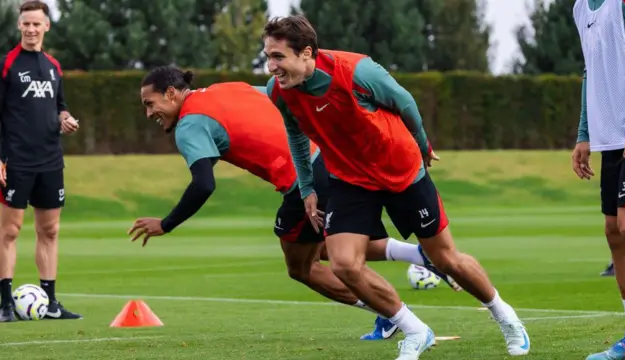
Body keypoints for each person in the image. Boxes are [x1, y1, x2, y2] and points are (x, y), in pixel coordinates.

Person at [262, 15, 530, 359]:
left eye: (278, 57)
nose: (271, 66)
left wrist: (422, 145)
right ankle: (416, 330)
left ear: (306, 53)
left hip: (401, 172)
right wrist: (307, 187)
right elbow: (296, 136)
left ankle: (504, 314)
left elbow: (404, 103)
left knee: (446, 259)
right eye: (268, 56)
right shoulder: (279, 92)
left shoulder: (357, 71)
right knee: (344, 264)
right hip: (350, 179)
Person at [128, 66, 461, 342]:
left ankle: (395, 316)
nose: (148, 113)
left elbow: (203, 184)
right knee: (329, 246)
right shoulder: (225, 89)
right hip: (332, 161)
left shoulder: (189, 124)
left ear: (172, 93)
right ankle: (421, 256)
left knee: (301, 267)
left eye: (150, 103)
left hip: (306, 180)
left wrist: (166, 223)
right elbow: (282, 101)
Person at [0, 0, 81, 322]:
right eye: (26, 23)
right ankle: (5, 304)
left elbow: (60, 106)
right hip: (16, 160)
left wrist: (66, 118)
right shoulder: (6, 65)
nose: (31, 29)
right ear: (19, 26)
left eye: (37, 23)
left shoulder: (53, 66)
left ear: (47, 26)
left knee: (50, 230)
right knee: (10, 232)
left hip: (50, 160)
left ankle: (49, 303)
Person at [572, 0, 625, 358]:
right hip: (610, 138)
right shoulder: (581, 8)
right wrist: (584, 134)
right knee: (614, 231)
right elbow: (591, 71)